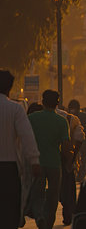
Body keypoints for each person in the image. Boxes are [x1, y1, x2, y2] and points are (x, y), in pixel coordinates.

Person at [0, 70, 41, 229]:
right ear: (9, 88)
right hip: (9, 169)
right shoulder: (15, 109)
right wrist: (34, 161)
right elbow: (27, 137)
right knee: (10, 211)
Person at [28, 90, 72, 229]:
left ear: (42, 102)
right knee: (53, 196)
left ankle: (40, 215)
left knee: (37, 193)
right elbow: (65, 148)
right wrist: (70, 159)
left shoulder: (32, 118)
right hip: (54, 163)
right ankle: (48, 223)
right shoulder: (62, 121)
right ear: (57, 103)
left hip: (37, 162)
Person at [56, 107, 85, 225]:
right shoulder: (70, 119)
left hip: (47, 157)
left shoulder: (37, 115)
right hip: (66, 156)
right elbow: (80, 138)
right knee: (68, 186)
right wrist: (72, 159)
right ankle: (68, 213)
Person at [68, 99, 86, 181]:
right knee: (83, 161)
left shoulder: (68, 116)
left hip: (72, 144)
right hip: (82, 143)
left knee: (76, 160)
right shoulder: (85, 116)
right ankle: (81, 175)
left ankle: (79, 175)